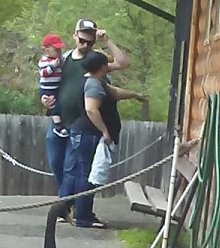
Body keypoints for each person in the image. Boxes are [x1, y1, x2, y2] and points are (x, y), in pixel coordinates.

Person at [54, 19, 130, 227]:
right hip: (74, 124)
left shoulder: (97, 61)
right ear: (75, 35)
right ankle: (76, 214)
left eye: (90, 41)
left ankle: (68, 211)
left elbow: (123, 64)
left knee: (76, 170)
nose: (86, 44)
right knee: (81, 172)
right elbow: (90, 107)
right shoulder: (67, 60)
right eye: (82, 39)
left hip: (81, 126)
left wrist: (107, 42)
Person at [87, 78, 151, 197]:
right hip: (97, 135)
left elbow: (116, 92)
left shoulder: (102, 83)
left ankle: (83, 208)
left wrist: (134, 94)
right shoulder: (93, 84)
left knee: (97, 173)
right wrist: (104, 131)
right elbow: (91, 109)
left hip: (108, 134)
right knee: (91, 175)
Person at [37, 34, 68, 191]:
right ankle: (58, 125)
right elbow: (43, 76)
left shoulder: (64, 60)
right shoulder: (45, 62)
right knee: (56, 159)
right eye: (55, 49)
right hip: (49, 90)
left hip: (60, 96)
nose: (58, 52)